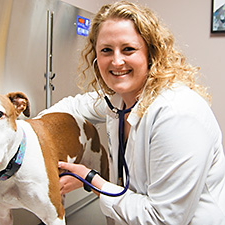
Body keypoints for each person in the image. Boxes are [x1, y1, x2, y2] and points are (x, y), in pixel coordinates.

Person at [41, 1, 225, 224]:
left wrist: (91, 179)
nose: (117, 61)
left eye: (128, 49)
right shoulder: (118, 101)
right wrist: (30, 132)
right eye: (106, 50)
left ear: (151, 53)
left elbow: (163, 219)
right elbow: (73, 106)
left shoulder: (177, 114)